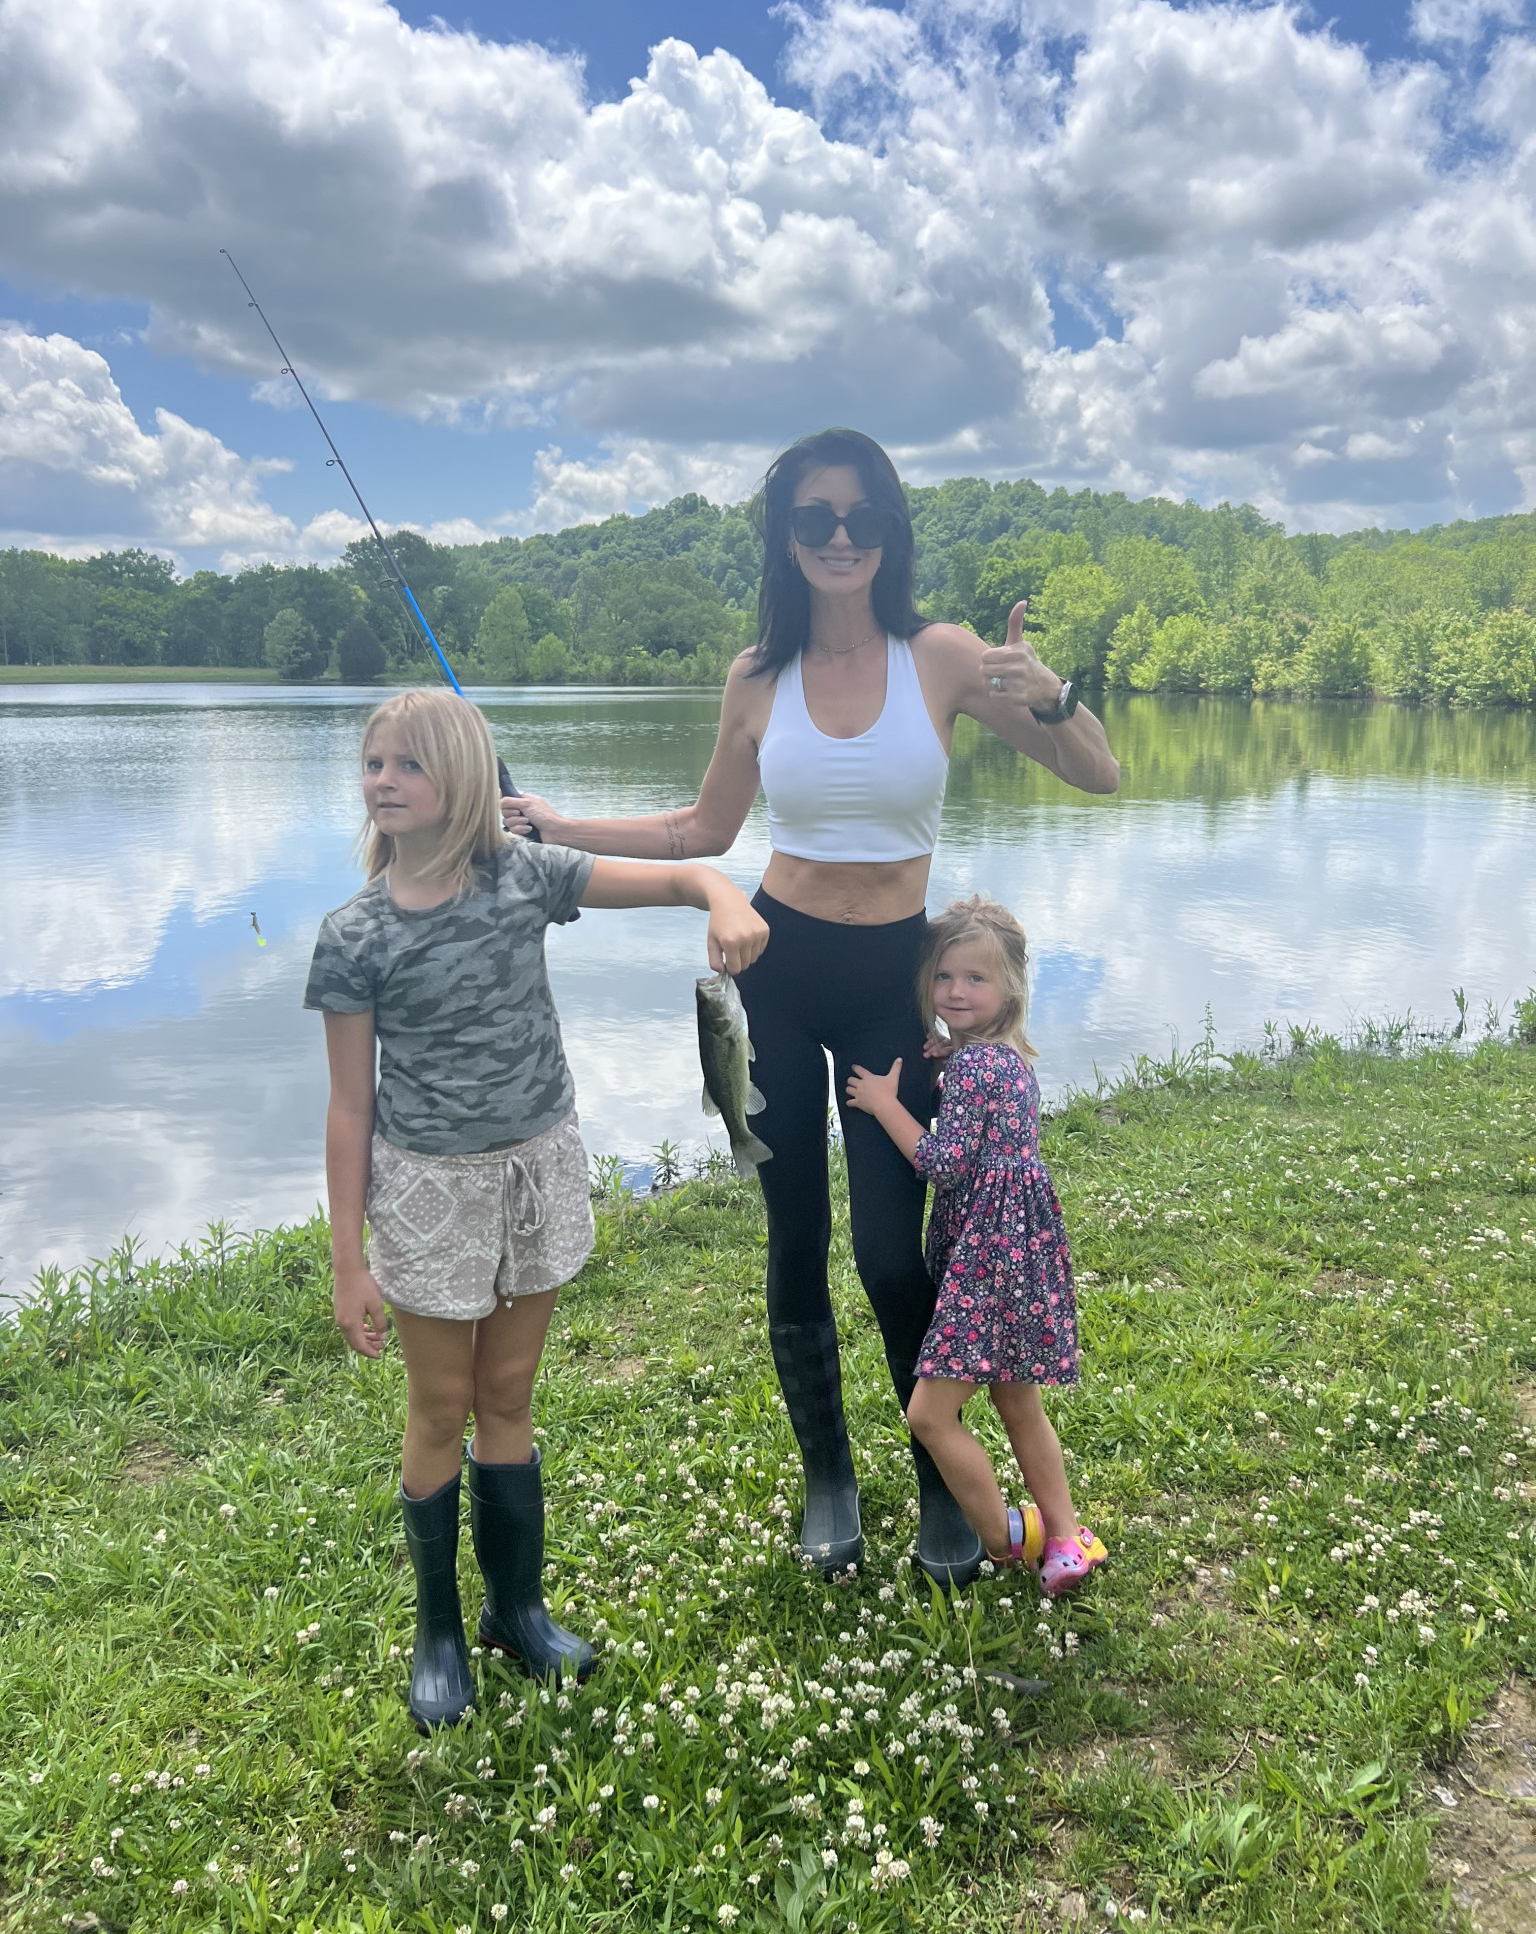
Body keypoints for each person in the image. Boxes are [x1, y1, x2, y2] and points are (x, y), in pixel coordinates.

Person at [501, 427, 1119, 1587]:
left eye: (862, 515)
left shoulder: (941, 656)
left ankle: (938, 1487)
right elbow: (700, 828)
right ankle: (828, 1477)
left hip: (893, 985)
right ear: (785, 536)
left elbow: (1099, 773)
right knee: (795, 1238)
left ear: (890, 532)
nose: (841, 536)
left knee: (890, 1250)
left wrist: (1052, 697)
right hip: (775, 976)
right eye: (815, 517)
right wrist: (555, 823)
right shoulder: (756, 674)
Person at [305, 689, 767, 1728]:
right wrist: (348, 1258)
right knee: (440, 1406)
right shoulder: (353, 934)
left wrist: (720, 896)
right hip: (428, 1190)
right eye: (374, 763)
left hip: (536, 1170)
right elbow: (349, 1106)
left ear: (465, 778)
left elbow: (683, 873)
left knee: (508, 1394)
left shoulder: (528, 875)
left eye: (410, 764)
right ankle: (438, 1631)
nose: (384, 781)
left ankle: (516, 1610)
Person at [845, 895, 1106, 1594]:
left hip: (988, 1261)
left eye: (975, 979)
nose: (955, 991)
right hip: (1021, 1252)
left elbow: (945, 1163)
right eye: (943, 976)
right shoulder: (1004, 1058)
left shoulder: (974, 1068)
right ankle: (1069, 1536)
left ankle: (1005, 1537)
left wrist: (886, 1104)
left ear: (1010, 987)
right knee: (1019, 1402)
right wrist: (947, 1060)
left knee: (930, 1414)